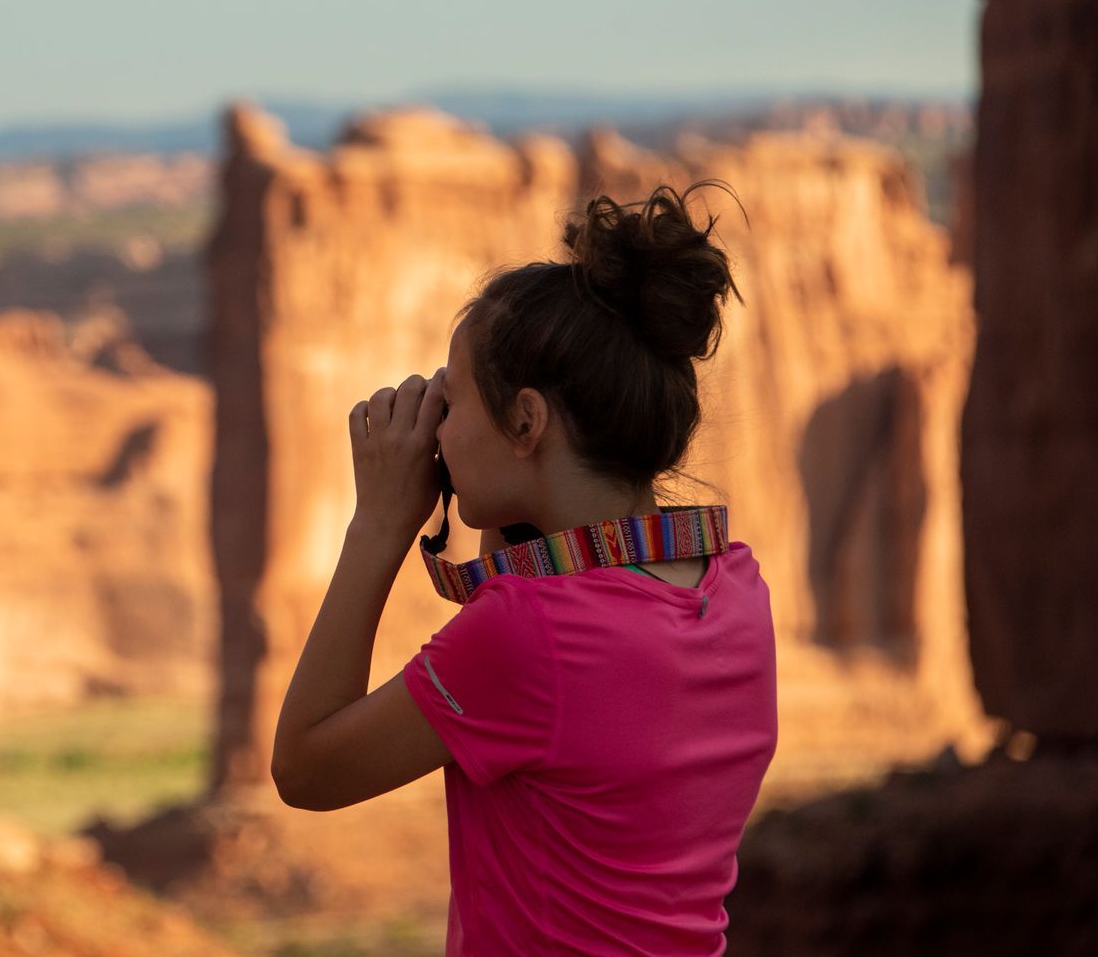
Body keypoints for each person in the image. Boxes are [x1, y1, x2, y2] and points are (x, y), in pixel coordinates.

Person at [270, 182, 778, 955]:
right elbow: (554, 589)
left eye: (457, 400)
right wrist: (503, 476)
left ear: (527, 421)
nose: (439, 423)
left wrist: (379, 522)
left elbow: (304, 769)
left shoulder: (527, 636)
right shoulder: (737, 588)